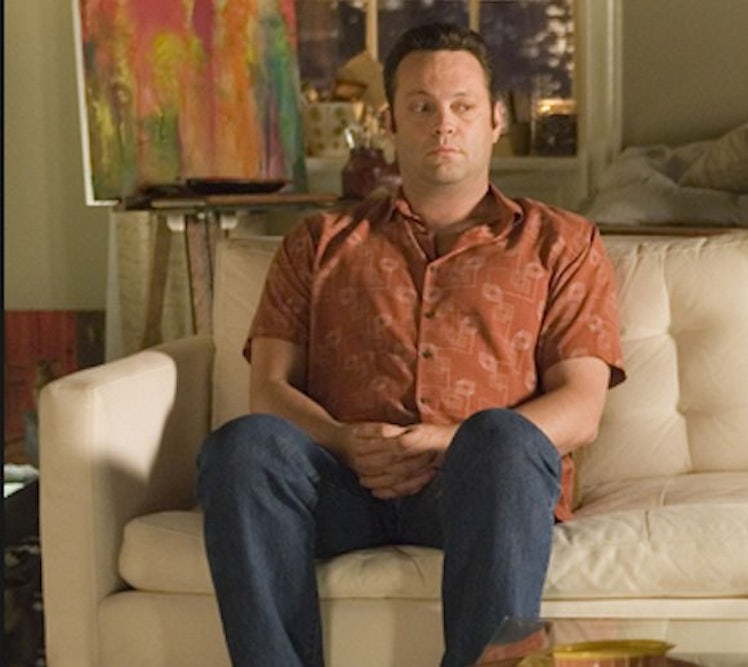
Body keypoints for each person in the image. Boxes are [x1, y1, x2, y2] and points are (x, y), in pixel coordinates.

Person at [196, 22, 625, 667]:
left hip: (481, 487)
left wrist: (451, 441)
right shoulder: (317, 243)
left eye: (463, 106)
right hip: (343, 484)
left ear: (495, 120)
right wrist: (344, 441)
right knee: (243, 446)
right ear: (390, 123)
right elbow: (270, 389)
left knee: (503, 439)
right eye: (422, 107)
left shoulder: (562, 243)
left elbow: (581, 407)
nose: (443, 124)